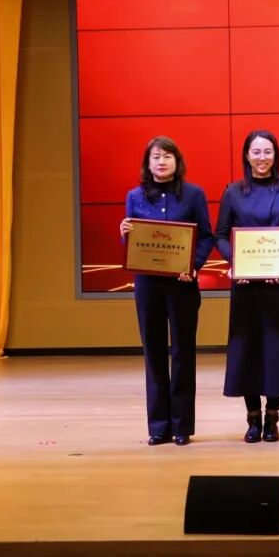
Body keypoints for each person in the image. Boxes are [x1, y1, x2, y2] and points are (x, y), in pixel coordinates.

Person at [215, 130, 279, 444]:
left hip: (278, 285)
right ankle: (252, 418)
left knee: (275, 351)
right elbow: (220, 235)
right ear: (246, 155)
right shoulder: (232, 192)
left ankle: (272, 417)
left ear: (275, 155)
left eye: (267, 151)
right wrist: (237, 262)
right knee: (248, 350)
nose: (262, 158)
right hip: (245, 285)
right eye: (256, 152)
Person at [120, 136, 214, 446]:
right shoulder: (135, 196)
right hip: (147, 286)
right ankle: (158, 426)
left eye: (167, 156)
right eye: (156, 157)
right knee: (154, 353)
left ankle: (182, 425)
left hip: (182, 285)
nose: (162, 162)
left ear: (177, 161)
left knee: (183, 353)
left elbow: (206, 236)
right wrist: (124, 234)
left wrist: (194, 266)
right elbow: (134, 243)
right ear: (148, 164)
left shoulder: (194, 194)